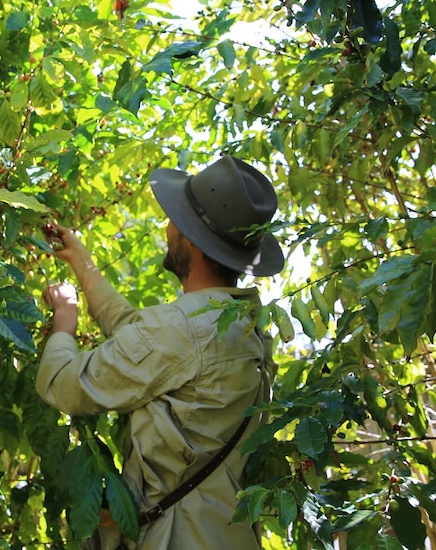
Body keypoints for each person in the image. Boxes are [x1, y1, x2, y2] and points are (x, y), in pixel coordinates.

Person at [36, 156, 284, 549]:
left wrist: (64, 322)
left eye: (176, 220)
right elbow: (141, 337)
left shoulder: (183, 331)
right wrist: (81, 263)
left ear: (192, 242)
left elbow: (62, 384)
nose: (169, 227)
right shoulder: (243, 324)